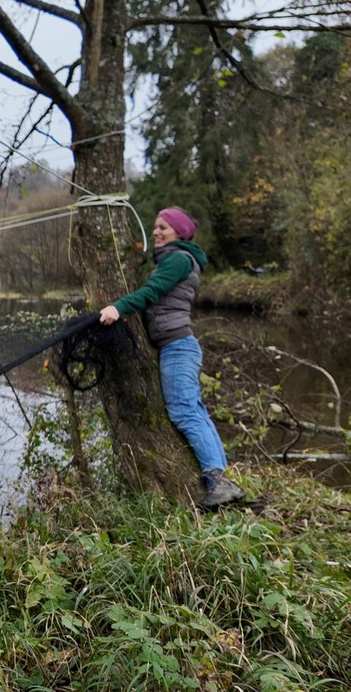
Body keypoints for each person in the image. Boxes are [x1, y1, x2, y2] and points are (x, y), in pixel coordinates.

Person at [99, 206, 246, 509]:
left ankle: (219, 480)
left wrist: (117, 308)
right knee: (195, 411)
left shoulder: (179, 259)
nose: (156, 232)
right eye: (155, 227)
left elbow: (152, 291)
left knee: (183, 411)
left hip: (177, 346)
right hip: (180, 345)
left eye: (163, 227)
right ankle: (222, 479)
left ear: (180, 233)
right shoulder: (177, 259)